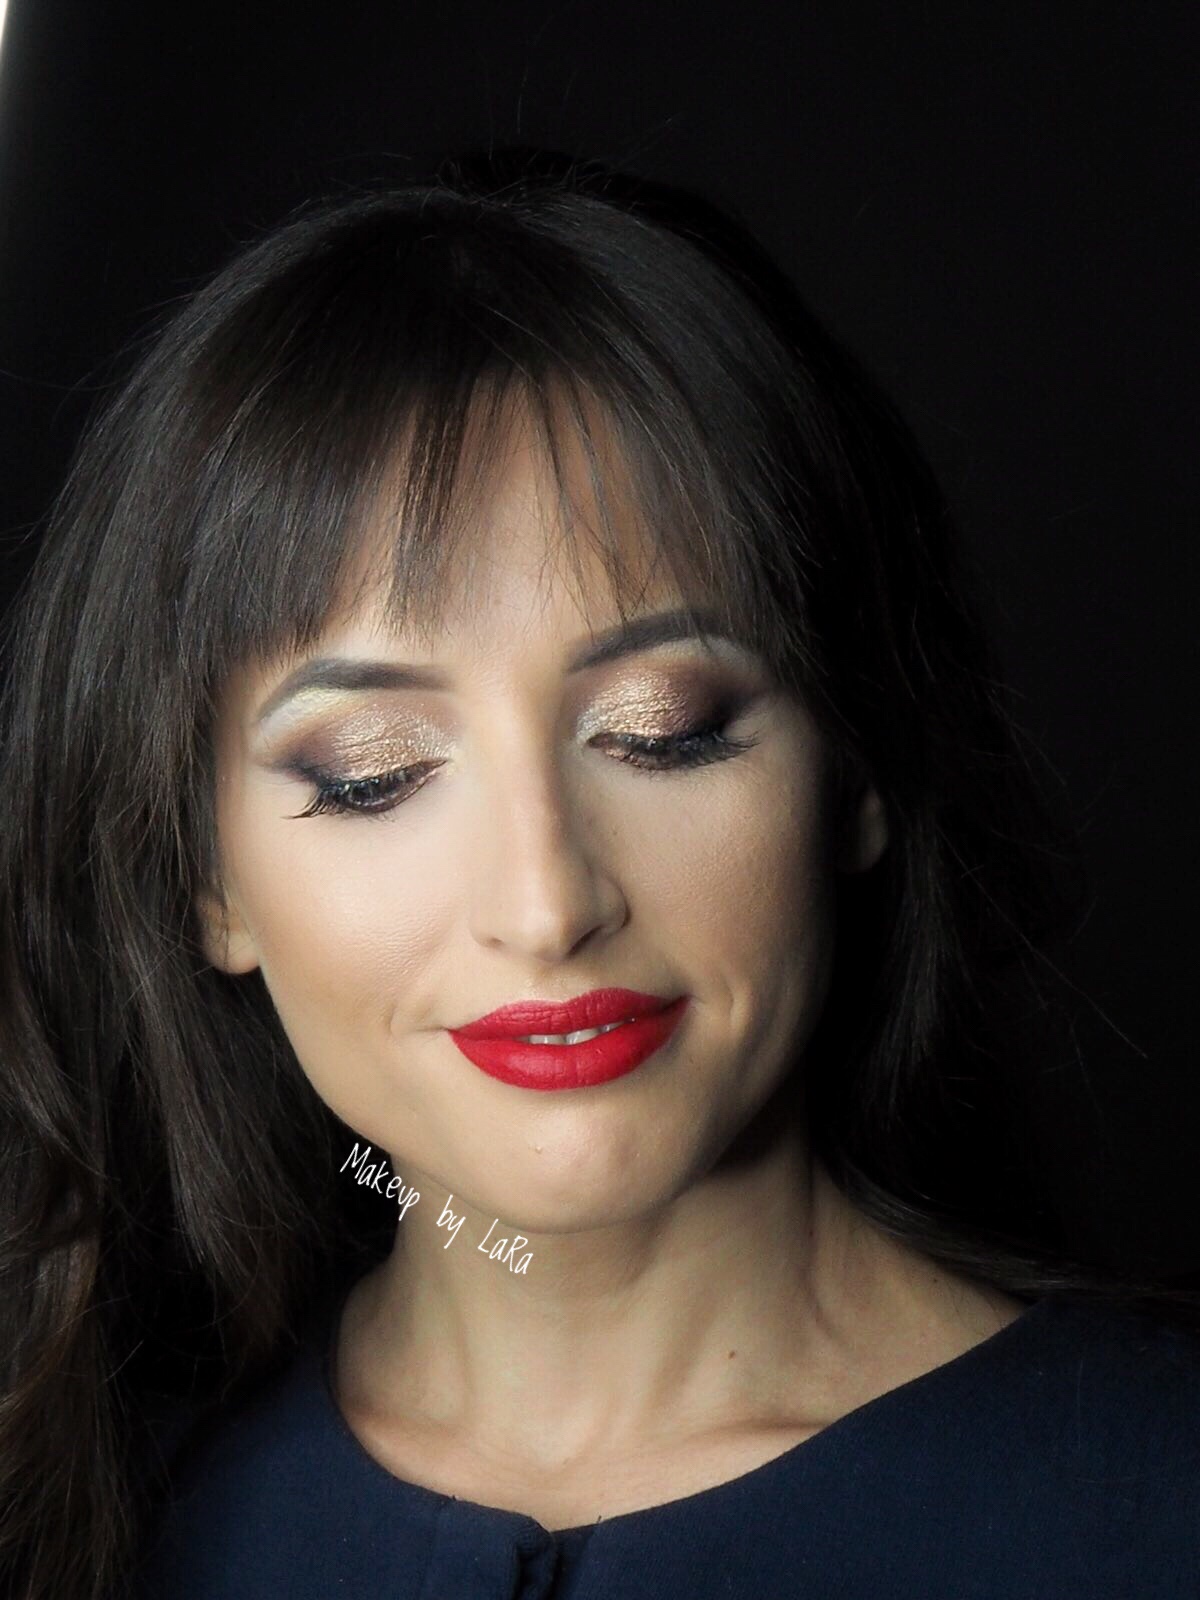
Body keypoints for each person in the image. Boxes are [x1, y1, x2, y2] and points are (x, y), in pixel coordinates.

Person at [0, 147, 1196, 1600]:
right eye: (375, 771)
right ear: (209, 884)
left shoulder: (1152, 1507)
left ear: (856, 766)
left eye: (661, 732)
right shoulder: (96, 1518)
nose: (548, 905)